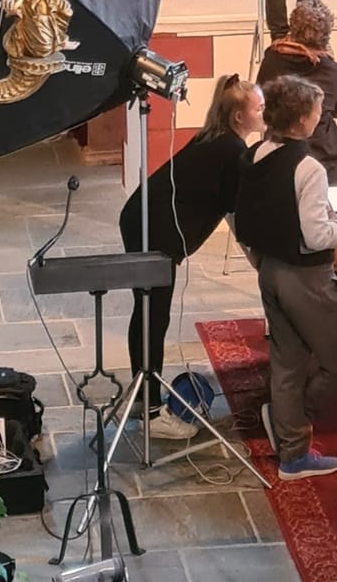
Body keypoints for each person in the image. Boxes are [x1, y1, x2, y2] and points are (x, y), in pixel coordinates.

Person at [119, 75, 264, 441]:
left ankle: (143, 394)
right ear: (237, 117)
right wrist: (259, 260)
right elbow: (238, 216)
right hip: (153, 231)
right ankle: (151, 413)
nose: (264, 114)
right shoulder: (232, 151)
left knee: (148, 312)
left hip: (142, 220)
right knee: (153, 315)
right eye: (259, 108)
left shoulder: (215, 138)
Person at [234, 75, 337, 479]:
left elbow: (243, 218)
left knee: (288, 362)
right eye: (316, 111)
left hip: (270, 270)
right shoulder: (308, 168)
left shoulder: (254, 154)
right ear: (301, 119)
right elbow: (315, 235)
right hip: (307, 277)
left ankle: (293, 451)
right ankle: (297, 420)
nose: (320, 116)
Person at [256, 0, 337, 184]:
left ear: (293, 28)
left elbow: (262, 104)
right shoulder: (334, 72)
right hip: (323, 160)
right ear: (326, 36)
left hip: (278, 158)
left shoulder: (271, 60)